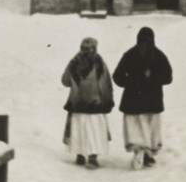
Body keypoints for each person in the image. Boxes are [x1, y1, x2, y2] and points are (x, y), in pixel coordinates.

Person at [112, 26, 173, 169]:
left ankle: (147, 153)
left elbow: (168, 77)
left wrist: (152, 77)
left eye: (147, 42)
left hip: (148, 100)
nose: (144, 45)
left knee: (149, 127)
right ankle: (139, 152)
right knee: (137, 128)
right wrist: (132, 81)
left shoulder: (158, 56)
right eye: (142, 42)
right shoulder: (130, 55)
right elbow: (117, 76)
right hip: (137, 100)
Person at [61, 37, 114, 169]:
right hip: (95, 104)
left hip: (78, 103)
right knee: (93, 131)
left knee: (79, 130)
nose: (88, 52)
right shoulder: (99, 63)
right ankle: (92, 156)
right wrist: (107, 101)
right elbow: (106, 83)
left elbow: (65, 81)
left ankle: (81, 154)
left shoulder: (75, 62)